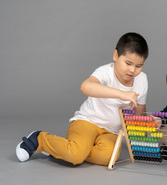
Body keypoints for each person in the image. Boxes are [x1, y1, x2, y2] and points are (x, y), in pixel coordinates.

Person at [16, 32, 149, 166]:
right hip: (88, 122)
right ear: (116, 55)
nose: (132, 70)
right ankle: (39, 139)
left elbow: (140, 112)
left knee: (108, 157)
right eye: (128, 63)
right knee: (76, 155)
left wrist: (142, 140)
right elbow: (86, 86)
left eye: (139, 66)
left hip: (111, 132)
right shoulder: (105, 72)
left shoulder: (142, 80)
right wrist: (121, 94)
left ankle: (63, 150)